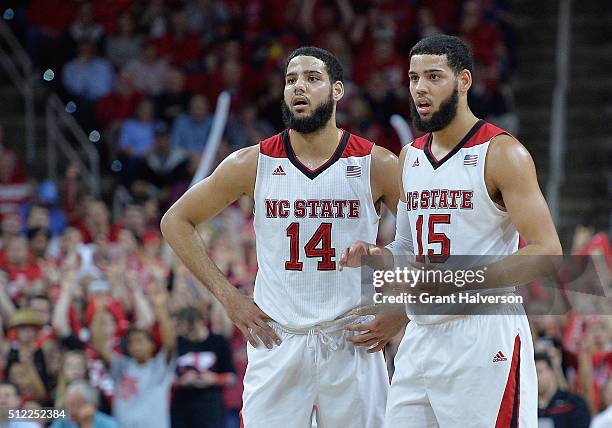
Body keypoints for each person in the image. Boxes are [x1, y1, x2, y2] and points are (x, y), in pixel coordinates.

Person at [161, 46, 405, 427]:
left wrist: (401, 310)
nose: (298, 87)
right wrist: (230, 299)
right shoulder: (252, 163)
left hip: (351, 339)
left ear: (337, 90)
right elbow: (175, 221)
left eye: (311, 78)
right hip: (277, 339)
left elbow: (433, 235)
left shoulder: (376, 163)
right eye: (291, 80)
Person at [340, 34, 562, 427]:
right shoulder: (410, 157)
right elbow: (409, 246)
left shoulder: (502, 153)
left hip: (483, 335)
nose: (420, 88)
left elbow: (546, 252)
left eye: (433, 76)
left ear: (464, 81)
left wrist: (457, 280)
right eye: (413, 78)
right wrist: (381, 256)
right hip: (421, 337)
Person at [536, 353, 591, 428]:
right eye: (533, 374)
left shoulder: (574, 404)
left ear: (552, 371)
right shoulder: (526, 406)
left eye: (539, 371)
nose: (536, 377)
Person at [50, 381, 118, 428]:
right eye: (67, 405)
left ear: (90, 405)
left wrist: (87, 424)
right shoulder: (63, 421)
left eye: (73, 405)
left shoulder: (108, 424)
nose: (69, 410)